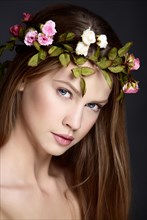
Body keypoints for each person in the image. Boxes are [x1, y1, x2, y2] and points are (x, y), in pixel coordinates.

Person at [0, 3, 140, 220]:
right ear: (24, 77)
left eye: (93, 106)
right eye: (64, 92)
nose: (75, 123)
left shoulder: (85, 191)